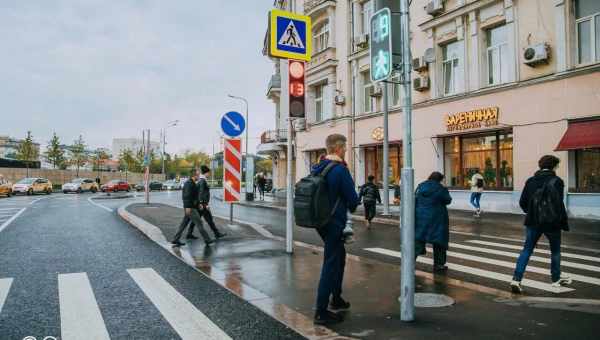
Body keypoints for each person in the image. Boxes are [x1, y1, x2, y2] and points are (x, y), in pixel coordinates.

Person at [311, 134, 359, 325]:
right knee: (331, 263)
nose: (346, 150)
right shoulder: (340, 169)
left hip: (320, 221)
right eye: (345, 147)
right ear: (338, 148)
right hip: (334, 222)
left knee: (339, 258)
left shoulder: (318, 166)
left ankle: (336, 298)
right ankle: (321, 311)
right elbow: (353, 202)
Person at [510, 155, 571, 294]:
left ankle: (516, 279)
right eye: (557, 165)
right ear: (553, 166)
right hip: (552, 223)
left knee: (527, 250)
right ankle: (555, 279)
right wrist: (561, 221)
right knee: (555, 251)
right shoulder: (557, 181)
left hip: (533, 222)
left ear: (540, 165)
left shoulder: (530, 181)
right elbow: (558, 204)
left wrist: (531, 213)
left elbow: (522, 202)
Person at [415, 171, 452, 272]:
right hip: (438, 218)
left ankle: (410, 261)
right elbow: (448, 200)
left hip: (421, 217)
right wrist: (445, 188)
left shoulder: (420, 186)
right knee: (439, 241)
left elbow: (416, 199)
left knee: (418, 239)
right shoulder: (440, 188)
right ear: (440, 179)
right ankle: (439, 264)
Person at [172, 170, 213, 247]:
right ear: (194, 176)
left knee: (183, 224)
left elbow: (194, 196)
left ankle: (176, 239)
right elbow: (187, 197)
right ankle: (207, 239)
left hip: (191, 207)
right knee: (199, 223)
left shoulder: (192, 183)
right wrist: (188, 207)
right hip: (190, 208)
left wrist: (199, 204)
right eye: (198, 175)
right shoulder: (189, 184)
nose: (199, 176)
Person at [194, 165, 226, 239]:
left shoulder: (201, 180)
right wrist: (203, 204)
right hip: (203, 204)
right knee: (209, 219)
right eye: (209, 173)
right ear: (206, 173)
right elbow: (201, 193)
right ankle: (216, 233)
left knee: (196, 219)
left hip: (201, 204)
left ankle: (189, 233)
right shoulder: (202, 180)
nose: (209, 174)